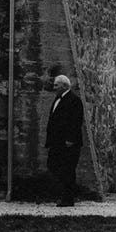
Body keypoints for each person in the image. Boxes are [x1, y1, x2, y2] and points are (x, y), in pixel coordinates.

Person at [45, 74, 84, 207]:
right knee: (53, 165)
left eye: (56, 85)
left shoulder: (74, 100)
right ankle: (68, 193)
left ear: (64, 86)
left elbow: (76, 121)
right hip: (57, 142)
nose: (54, 87)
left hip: (68, 143)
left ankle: (68, 198)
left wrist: (70, 139)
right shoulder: (58, 99)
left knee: (67, 169)